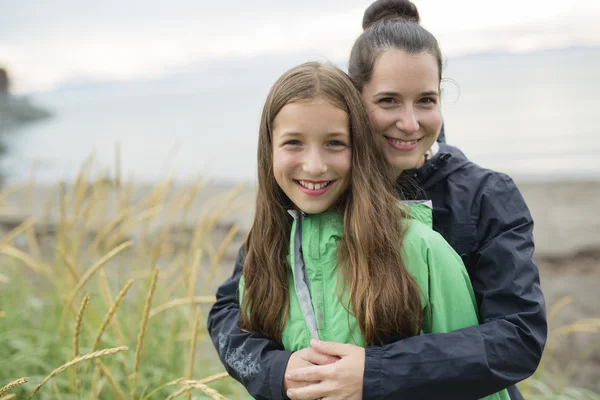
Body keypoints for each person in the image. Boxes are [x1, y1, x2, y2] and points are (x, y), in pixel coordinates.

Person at [207, 1, 547, 399]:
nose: (409, 122)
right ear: (353, 100)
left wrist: (375, 373)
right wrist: (277, 370)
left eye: (426, 100)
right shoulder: (317, 193)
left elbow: (519, 339)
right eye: (388, 101)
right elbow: (228, 313)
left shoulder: (485, 196)